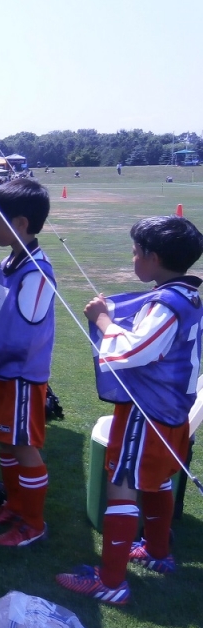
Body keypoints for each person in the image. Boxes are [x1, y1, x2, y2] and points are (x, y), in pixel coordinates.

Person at [56, 215, 203, 605]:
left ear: (153, 258)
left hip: (147, 411)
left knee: (122, 484)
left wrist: (103, 319)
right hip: (171, 409)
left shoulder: (168, 303)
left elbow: (134, 351)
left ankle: (111, 582)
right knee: (156, 480)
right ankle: (157, 552)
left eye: (136, 252)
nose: (133, 257)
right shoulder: (188, 295)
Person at [0, 179, 55, 547]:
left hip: (18, 377)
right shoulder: (8, 263)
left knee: (22, 445)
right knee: (5, 442)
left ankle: (33, 524)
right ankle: (14, 505)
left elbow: (25, 339)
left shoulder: (37, 272)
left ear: (21, 223)